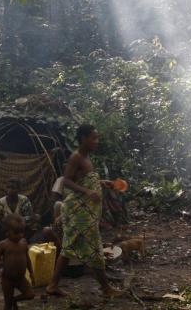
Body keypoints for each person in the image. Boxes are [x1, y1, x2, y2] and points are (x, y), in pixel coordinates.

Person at [46, 124, 123, 298]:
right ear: (83, 138)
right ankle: (106, 289)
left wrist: (103, 182)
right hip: (78, 212)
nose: (97, 141)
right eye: (94, 138)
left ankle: (52, 286)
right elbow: (66, 181)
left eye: (97, 137)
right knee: (95, 248)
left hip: (85, 212)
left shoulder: (87, 157)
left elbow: (83, 179)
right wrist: (88, 192)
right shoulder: (76, 157)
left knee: (67, 249)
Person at [0, 214, 35, 310]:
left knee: (30, 294)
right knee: (7, 306)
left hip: (21, 279)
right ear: (7, 232)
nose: (20, 235)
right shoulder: (3, 244)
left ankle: (14, 300)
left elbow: (27, 258)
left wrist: (31, 272)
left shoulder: (24, 242)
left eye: (22, 232)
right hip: (7, 280)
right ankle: (11, 302)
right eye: (16, 233)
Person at [0, 178, 36, 243]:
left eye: (13, 188)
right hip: (7, 229)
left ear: (19, 189)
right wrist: (7, 222)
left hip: (21, 228)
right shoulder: (1, 201)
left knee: (36, 219)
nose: (10, 190)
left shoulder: (24, 200)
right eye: (8, 187)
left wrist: (16, 221)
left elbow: (29, 217)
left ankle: (23, 241)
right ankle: (0, 242)